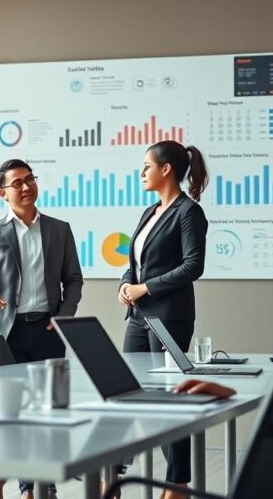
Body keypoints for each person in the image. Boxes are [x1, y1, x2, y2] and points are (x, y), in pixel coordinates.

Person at [0, 159, 84, 499]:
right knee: (8, 412)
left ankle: (39, 486)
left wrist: (63, 315)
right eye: (17, 182)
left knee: (47, 413)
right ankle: (6, 480)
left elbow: (73, 280)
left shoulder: (59, 229)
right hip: (5, 334)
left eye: (30, 179)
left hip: (48, 331)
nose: (26, 186)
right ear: (3, 193)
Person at [117, 140, 209, 499]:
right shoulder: (150, 211)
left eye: (146, 166)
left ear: (166, 169)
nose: (141, 173)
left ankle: (177, 483)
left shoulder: (188, 212)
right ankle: (117, 472)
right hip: (138, 316)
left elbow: (193, 266)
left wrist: (145, 288)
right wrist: (127, 285)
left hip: (170, 316)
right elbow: (135, 264)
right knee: (126, 391)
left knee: (168, 398)